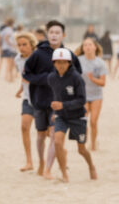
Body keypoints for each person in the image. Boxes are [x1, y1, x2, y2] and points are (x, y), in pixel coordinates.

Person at [23, 20, 81, 180]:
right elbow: (26, 74)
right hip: (40, 101)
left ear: (63, 35)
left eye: (57, 32)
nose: (54, 35)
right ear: (47, 34)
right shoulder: (38, 54)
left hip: (60, 104)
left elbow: (78, 75)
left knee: (55, 135)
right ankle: (41, 162)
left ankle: (48, 168)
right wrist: (45, 79)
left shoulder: (69, 55)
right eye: (51, 32)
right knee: (41, 135)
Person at [47, 48, 97, 182]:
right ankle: (64, 174)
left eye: (64, 62)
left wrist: (63, 105)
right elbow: (55, 96)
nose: (61, 65)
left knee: (81, 149)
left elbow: (82, 100)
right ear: (54, 63)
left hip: (78, 117)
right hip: (61, 117)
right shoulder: (51, 78)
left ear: (69, 63)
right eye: (58, 62)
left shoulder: (76, 78)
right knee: (57, 142)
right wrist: (55, 111)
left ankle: (91, 166)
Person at [75, 37, 107, 151]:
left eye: (90, 45)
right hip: (82, 96)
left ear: (95, 47)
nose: (87, 47)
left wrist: (92, 79)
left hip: (96, 96)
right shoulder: (78, 61)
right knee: (83, 120)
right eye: (85, 45)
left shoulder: (100, 63)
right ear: (83, 48)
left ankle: (93, 144)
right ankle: (84, 141)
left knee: (93, 121)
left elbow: (103, 83)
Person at [15, 31, 37, 171]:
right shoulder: (18, 59)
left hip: (42, 99)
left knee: (47, 133)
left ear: (31, 45)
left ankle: (58, 154)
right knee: (24, 127)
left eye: (24, 44)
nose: (21, 47)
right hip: (27, 98)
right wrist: (20, 89)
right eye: (19, 45)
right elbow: (24, 77)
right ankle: (29, 161)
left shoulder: (39, 57)